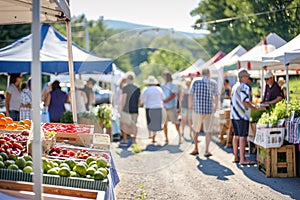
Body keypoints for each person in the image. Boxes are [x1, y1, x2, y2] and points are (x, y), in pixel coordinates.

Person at [230, 69, 263, 165]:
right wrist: (255, 108)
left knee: (236, 136)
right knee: (243, 137)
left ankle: (236, 157)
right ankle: (243, 159)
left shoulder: (235, 86)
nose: (248, 78)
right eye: (247, 76)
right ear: (242, 77)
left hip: (234, 115)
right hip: (242, 115)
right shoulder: (244, 87)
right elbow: (245, 101)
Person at [189, 68, 218, 156]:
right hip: (209, 109)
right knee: (208, 131)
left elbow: (191, 94)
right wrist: (215, 107)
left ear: (202, 74)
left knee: (195, 129)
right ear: (209, 74)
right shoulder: (213, 83)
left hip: (197, 109)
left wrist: (190, 106)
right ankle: (206, 150)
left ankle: (196, 148)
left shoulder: (195, 81)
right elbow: (216, 96)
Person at [141, 76, 165, 143]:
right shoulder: (159, 89)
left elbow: (143, 100)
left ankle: (150, 134)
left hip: (149, 107)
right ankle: (154, 137)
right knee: (156, 122)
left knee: (149, 121)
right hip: (158, 107)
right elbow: (163, 97)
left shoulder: (146, 89)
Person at [119, 72, 140, 146]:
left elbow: (124, 99)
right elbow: (139, 101)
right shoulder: (137, 88)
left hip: (126, 109)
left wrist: (121, 109)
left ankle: (125, 140)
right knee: (134, 125)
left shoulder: (125, 88)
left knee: (124, 124)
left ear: (127, 79)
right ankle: (134, 140)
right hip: (135, 110)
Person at [161, 71, 181, 144]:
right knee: (164, 123)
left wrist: (165, 101)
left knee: (175, 122)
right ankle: (166, 138)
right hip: (164, 107)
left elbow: (174, 95)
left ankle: (179, 136)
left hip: (171, 106)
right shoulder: (162, 85)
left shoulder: (173, 85)